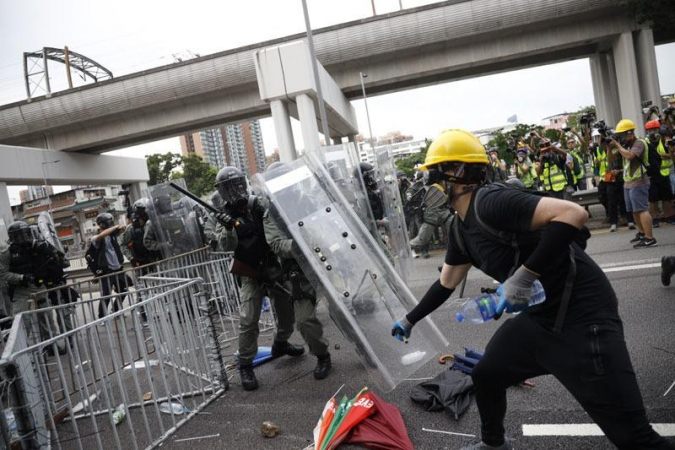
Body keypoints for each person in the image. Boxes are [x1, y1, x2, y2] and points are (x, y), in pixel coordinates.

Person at [390, 129, 673, 450]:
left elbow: (574, 213)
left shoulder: (493, 201)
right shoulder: (459, 229)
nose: (428, 184)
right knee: (486, 375)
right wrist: (410, 319)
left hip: (584, 318)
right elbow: (447, 282)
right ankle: (495, 444)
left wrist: (522, 278)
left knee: (634, 438)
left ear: (460, 173)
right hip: (539, 319)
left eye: (433, 174)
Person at [212, 165, 323, 391]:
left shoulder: (259, 204)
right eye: (229, 187)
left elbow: (278, 224)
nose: (235, 190)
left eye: (237, 184)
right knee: (249, 318)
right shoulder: (224, 216)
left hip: (274, 267)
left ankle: (280, 343)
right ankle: (245, 365)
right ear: (223, 191)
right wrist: (230, 228)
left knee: (286, 314)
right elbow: (226, 246)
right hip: (250, 272)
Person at [262, 162, 333, 381]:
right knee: (304, 321)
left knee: (345, 311)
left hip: (324, 262)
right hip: (298, 269)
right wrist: (298, 245)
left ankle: (364, 347)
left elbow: (328, 224)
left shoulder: (308, 201)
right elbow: (275, 243)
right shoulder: (272, 212)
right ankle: (322, 355)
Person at [0, 222, 61, 348]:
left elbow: (56, 261)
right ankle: (22, 353)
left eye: (25, 234)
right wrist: (21, 278)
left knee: (47, 318)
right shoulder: (8, 252)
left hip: (39, 287)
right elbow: (3, 274)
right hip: (20, 290)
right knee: (22, 323)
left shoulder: (38, 247)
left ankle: (51, 345)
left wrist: (48, 250)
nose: (23, 238)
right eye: (19, 235)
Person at [610, 119, 657, 248]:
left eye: (622, 134)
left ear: (630, 132)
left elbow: (630, 156)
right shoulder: (627, 145)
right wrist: (610, 147)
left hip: (639, 181)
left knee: (641, 209)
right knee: (634, 211)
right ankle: (642, 233)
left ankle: (650, 238)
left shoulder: (639, 143)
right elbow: (611, 158)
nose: (620, 137)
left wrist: (618, 146)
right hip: (628, 182)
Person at [91, 213, 130, 318]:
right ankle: (102, 317)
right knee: (107, 295)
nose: (111, 224)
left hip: (118, 268)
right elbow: (101, 236)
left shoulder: (113, 234)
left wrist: (120, 226)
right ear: (101, 224)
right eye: (109, 222)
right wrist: (115, 227)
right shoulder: (95, 237)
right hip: (107, 271)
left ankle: (116, 311)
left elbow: (123, 228)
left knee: (124, 290)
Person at [645, 120, 675, 225]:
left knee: (667, 197)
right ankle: (654, 219)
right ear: (647, 131)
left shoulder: (665, 141)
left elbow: (671, 154)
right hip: (652, 175)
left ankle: (669, 216)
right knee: (653, 198)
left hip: (665, 173)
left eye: (655, 129)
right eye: (650, 130)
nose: (653, 132)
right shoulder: (646, 143)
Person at [120, 198, 162, 268]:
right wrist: (131, 258)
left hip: (156, 259)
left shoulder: (153, 224)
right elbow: (123, 245)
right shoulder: (131, 229)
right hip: (141, 263)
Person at [604, 140, 633, 232]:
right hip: (611, 179)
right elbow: (609, 160)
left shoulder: (622, 149)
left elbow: (627, 164)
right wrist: (608, 147)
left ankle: (630, 221)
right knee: (612, 202)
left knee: (625, 200)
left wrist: (619, 171)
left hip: (622, 178)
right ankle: (613, 223)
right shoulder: (607, 150)